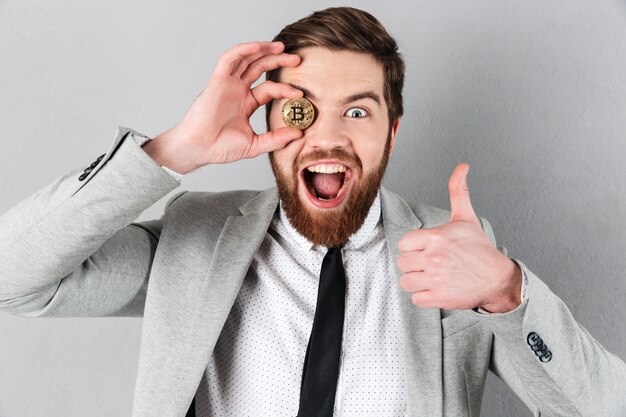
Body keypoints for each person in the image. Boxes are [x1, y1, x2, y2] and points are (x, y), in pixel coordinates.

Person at [0, 6, 624, 417]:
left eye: (357, 111)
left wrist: (508, 291)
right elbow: (10, 279)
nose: (327, 138)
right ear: (269, 122)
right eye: (300, 109)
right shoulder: (196, 237)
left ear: (392, 132)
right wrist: (173, 150)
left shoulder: (455, 252)